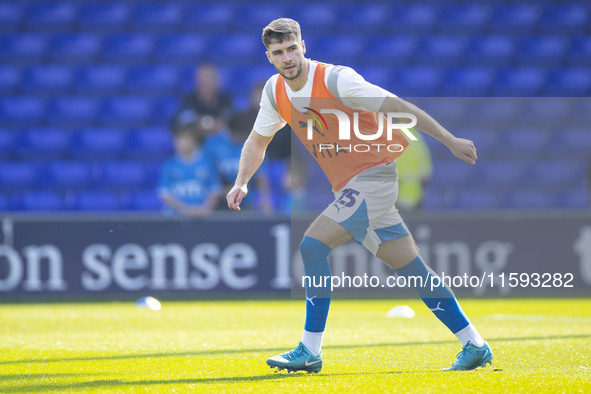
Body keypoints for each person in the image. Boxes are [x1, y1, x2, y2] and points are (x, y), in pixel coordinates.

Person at [226, 18, 492, 373]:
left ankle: (309, 350)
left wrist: (449, 140)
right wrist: (242, 181)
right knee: (413, 269)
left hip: (375, 178)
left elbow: (399, 107)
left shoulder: (338, 80)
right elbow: (259, 140)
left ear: (303, 47)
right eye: (278, 52)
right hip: (350, 187)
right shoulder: (275, 92)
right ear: (269, 57)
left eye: (292, 48)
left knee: (312, 245)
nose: (287, 57)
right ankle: (474, 344)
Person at [204, 110, 273, 213]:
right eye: (238, 133)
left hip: (245, 201)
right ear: (231, 130)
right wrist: (222, 191)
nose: (240, 136)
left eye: (243, 133)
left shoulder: (255, 146)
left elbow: (261, 178)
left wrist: (266, 204)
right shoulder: (213, 145)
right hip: (218, 201)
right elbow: (207, 174)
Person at [159, 122, 221, 218]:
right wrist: (184, 209)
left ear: (193, 141)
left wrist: (205, 208)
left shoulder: (207, 163)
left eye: (184, 140)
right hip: (174, 217)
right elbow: (164, 193)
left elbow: (214, 190)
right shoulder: (170, 164)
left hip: (201, 216)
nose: (179, 143)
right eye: (177, 140)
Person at [173, 62, 233, 135]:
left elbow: (228, 121)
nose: (204, 82)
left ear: (216, 81)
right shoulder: (189, 100)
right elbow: (184, 120)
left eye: (208, 78)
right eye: (202, 79)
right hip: (196, 139)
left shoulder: (226, 100)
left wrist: (203, 123)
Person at [395, 129, 433, 211]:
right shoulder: (412, 133)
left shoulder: (405, 133)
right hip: (410, 197)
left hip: (401, 199)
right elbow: (426, 172)